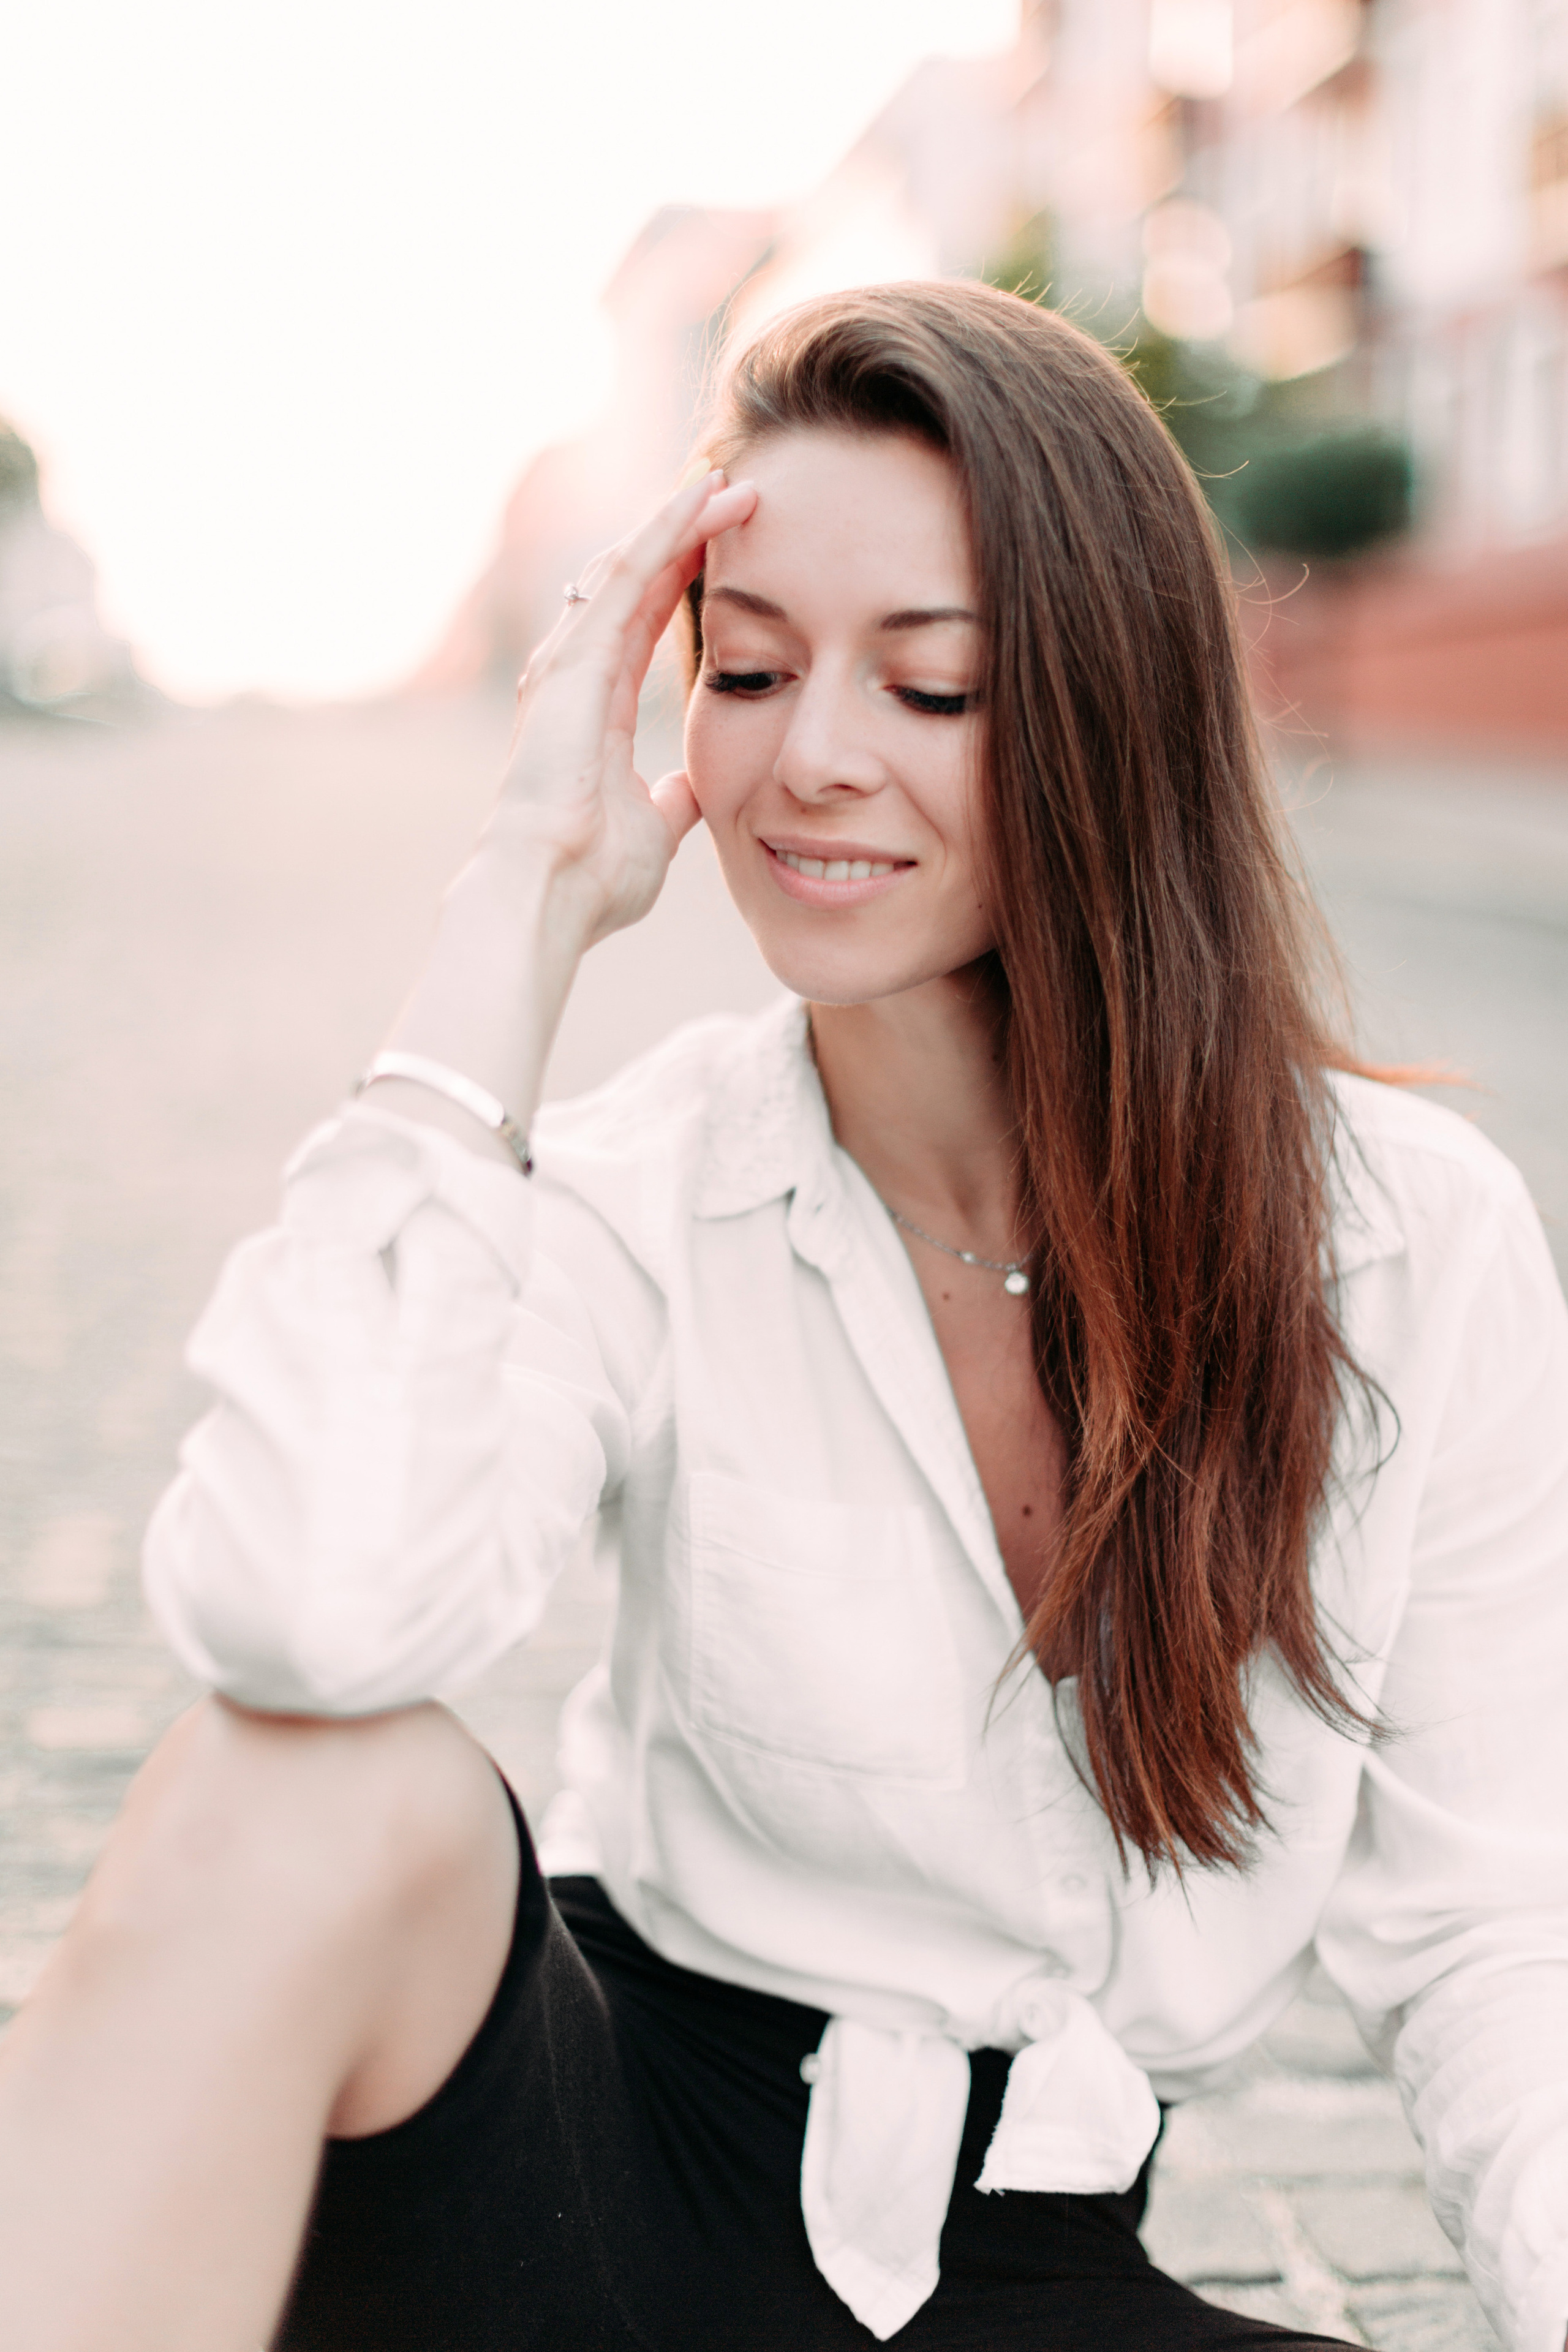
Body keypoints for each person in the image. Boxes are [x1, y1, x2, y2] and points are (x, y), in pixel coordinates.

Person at [1, 281, 1564, 2352]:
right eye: (746, 671)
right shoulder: (647, 1196)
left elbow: (1490, 1937)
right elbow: (302, 1612)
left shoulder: (1404, 1243)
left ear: (1114, 719)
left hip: (1027, 2256)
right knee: (294, 1782)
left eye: (934, 689)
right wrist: (523, 889)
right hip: (593, 2190)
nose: (810, 760)